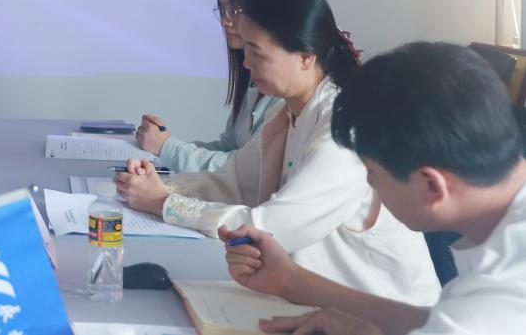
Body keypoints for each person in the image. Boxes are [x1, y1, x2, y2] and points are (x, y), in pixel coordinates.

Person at [115, 0, 439, 305]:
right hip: (322, 304)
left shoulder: (342, 131)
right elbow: (232, 181)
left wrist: (164, 203)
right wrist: (159, 187)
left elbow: (271, 229)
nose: (246, 63)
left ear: (305, 57)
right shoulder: (286, 114)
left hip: (386, 313)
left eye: (256, 52)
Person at [222, 42, 526, 335]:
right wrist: (289, 280)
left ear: (432, 185)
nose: (369, 183)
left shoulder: (500, 291)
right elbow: (440, 321)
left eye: (372, 173)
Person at [136, 0, 288, 172]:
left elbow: (247, 169)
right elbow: (230, 147)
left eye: (235, 10)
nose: (225, 21)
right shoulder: (254, 79)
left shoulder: (287, 94)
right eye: (223, 10)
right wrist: (165, 146)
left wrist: (167, 148)